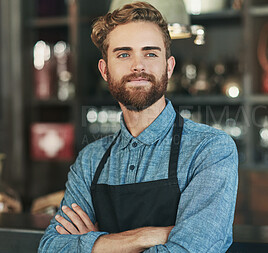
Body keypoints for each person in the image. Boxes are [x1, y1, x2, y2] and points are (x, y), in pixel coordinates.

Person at [38, 2, 238, 252]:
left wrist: (97, 244)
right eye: (123, 54)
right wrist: (145, 237)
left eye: (150, 53)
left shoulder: (209, 149)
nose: (138, 66)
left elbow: (189, 250)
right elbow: (52, 247)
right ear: (105, 70)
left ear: (169, 66)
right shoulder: (91, 160)